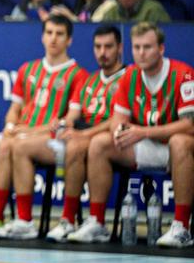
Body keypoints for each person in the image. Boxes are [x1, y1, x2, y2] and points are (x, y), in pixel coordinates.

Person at [0, 14, 88, 239]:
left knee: (12, 145)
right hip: (20, 134)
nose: (53, 39)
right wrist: (9, 125)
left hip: (50, 139)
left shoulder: (78, 74)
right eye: (49, 33)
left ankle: (7, 217)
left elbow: (70, 120)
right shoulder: (28, 69)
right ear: (42, 37)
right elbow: (14, 108)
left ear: (69, 40)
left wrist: (30, 131)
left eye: (59, 34)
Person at [78, 22, 194, 248]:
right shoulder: (129, 76)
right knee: (100, 143)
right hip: (148, 145)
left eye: (147, 47)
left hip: (180, 147)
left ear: (161, 49)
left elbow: (189, 125)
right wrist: (120, 132)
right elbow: (118, 121)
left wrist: (143, 131)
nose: (141, 53)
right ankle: (97, 222)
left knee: (180, 141)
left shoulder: (184, 74)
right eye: (137, 47)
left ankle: (182, 227)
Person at [7, 26, 127, 242]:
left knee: (79, 145)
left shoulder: (129, 78)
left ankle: (68, 219)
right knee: (21, 146)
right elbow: (73, 115)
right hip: (80, 137)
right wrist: (64, 126)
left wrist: (84, 134)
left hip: (111, 140)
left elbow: (118, 120)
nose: (103, 52)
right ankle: (25, 221)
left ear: (120, 48)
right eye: (98, 47)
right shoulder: (90, 79)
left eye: (108, 47)